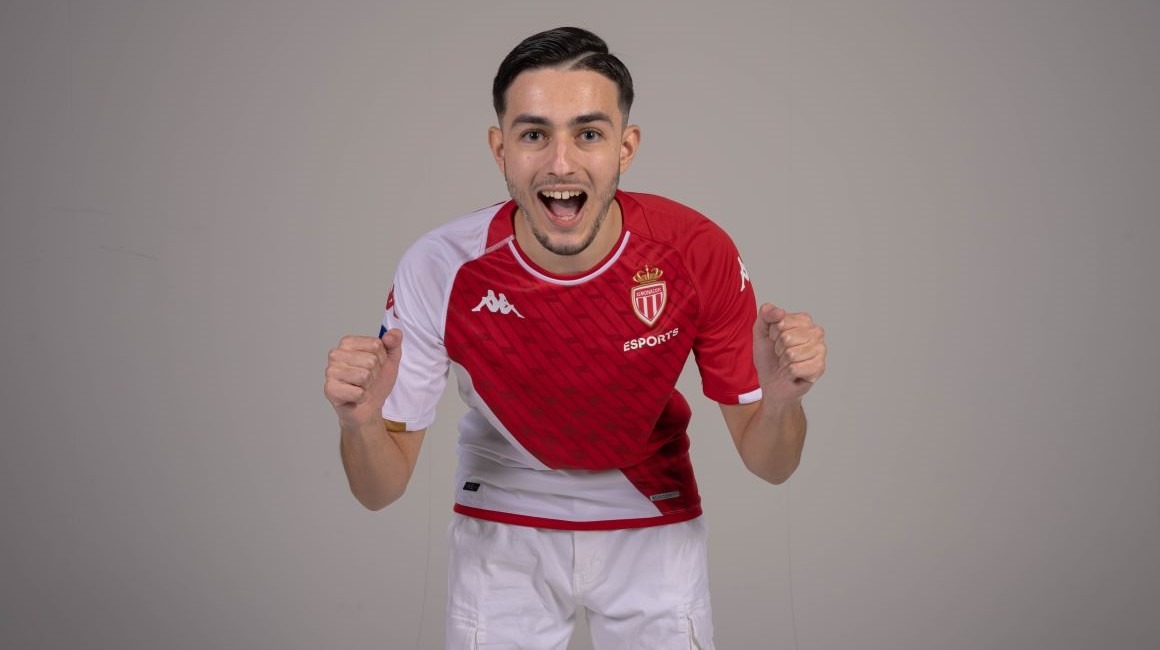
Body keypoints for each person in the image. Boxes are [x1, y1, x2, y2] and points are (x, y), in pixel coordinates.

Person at [323, 26, 826, 650]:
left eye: (588, 134)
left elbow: (771, 465)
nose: (560, 163)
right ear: (500, 148)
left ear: (625, 147)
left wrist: (781, 401)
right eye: (533, 134)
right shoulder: (440, 266)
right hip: (501, 528)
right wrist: (359, 424)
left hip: (653, 520)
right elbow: (379, 490)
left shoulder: (696, 251)